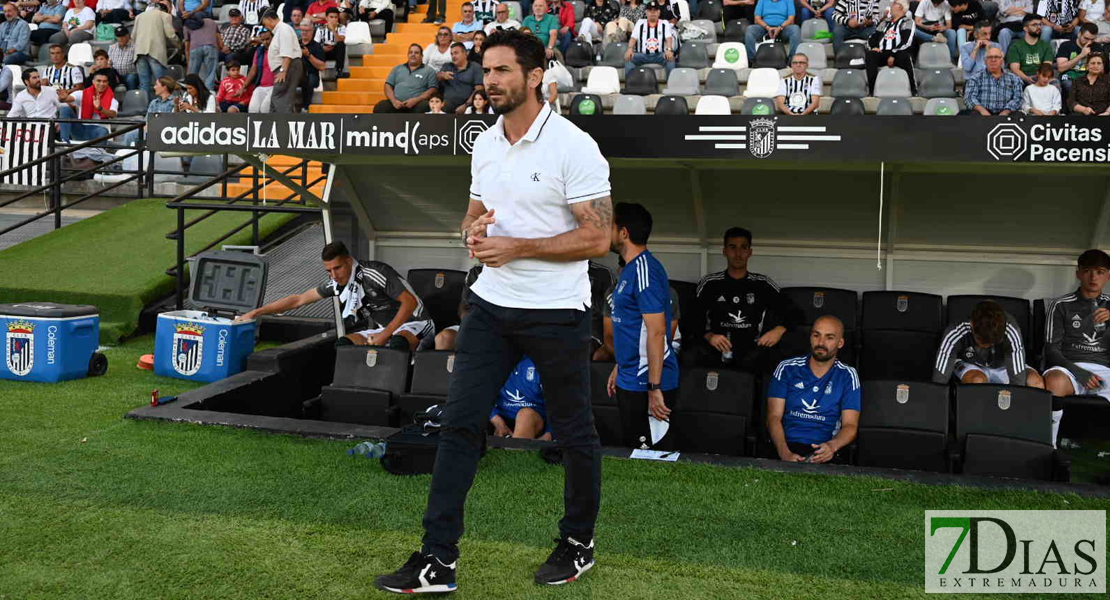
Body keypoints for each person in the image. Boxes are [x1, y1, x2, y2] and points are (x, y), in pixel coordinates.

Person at [374, 27, 611, 594]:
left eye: (503, 70)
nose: (491, 80)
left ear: (536, 77)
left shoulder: (574, 145)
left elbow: (599, 238)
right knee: (459, 424)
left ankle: (578, 543)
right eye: (487, 70)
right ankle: (437, 560)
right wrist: (472, 232)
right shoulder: (484, 142)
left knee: (573, 432)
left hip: (557, 310)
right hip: (490, 305)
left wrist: (519, 247)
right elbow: (473, 214)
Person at [239, 242, 433, 349]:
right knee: (343, 345)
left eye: (337, 268)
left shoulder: (374, 272)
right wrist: (257, 312)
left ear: (349, 261)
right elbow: (298, 299)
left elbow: (409, 303)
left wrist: (385, 335)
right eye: (328, 270)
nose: (333, 275)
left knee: (398, 343)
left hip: (417, 323)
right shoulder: (337, 283)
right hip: (384, 329)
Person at [603, 202, 679, 451]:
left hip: (645, 381)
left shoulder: (646, 270)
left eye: (610, 225)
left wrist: (654, 388)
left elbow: (656, 332)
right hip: (629, 376)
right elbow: (634, 328)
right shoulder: (629, 270)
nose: (605, 231)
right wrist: (620, 365)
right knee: (634, 450)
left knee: (651, 456)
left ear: (623, 233)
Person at [692, 227, 800, 373]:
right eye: (732, 247)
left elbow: (795, 313)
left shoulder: (762, 283)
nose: (738, 254)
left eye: (743, 248)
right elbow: (691, 318)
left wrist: (778, 330)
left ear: (750, 252)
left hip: (752, 351)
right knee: (692, 355)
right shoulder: (710, 283)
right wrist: (709, 336)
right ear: (724, 251)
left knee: (774, 357)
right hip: (716, 349)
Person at [767, 316, 860, 464]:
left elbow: (850, 425)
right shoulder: (787, 368)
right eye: (816, 335)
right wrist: (784, 452)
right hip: (786, 446)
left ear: (840, 343)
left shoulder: (848, 375)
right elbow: (773, 417)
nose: (821, 343)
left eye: (829, 337)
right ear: (810, 337)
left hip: (825, 448)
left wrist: (832, 447)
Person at [1043, 249, 1110, 447]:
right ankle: (1049, 446)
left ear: (1108, 276)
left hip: (1105, 369)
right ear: (1078, 273)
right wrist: (1079, 373)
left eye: (1100, 272)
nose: (1093, 277)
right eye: (1088, 271)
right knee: (1054, 381)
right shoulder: (1060, 305)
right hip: (1070, 368)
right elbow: (1051, 350)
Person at [933, 300, 1043, 388]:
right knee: (978, 381)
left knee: (1035, 383)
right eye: (981, 341)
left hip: (1004, 365)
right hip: (971, 365)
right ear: (972, 325)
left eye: (991, 343)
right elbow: (940, 378)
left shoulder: (1011, 329)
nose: (986, 346)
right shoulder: (956, 329)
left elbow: (1018, 381)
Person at [490, 356, 553, 440]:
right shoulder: (491, 362)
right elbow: (479, 395)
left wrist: (549, 433)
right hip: (500, 419)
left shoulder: (539, 364)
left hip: (535, 419)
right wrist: (497, 421)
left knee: (525, 415)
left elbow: (559, 402)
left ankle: (516, 447)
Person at [866, 0, 916, 95]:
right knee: (870, 55)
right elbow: (872, 37)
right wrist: (874, 47)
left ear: (901, 8)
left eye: (894, 3)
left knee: (905, 56)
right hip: (882, 52)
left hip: (898, 53)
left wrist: (893, 54)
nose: (891, 5)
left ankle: (913, 90)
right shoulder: (885, 22)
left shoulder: (908, 22)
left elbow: (907, 42)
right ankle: (872, 90)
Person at [374, 42, 437, 112]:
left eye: (416, 53)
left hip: (417, 104)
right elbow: (387, 86)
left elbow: (432, 89)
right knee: (380, 107)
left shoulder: (429, 71)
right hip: (396, 104)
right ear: (408, 55)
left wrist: (416, 100)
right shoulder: (397, 69)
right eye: (410, 52)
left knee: (425, 106)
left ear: (422, 56)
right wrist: (394, 101)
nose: (413, 54)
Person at [134, 0, 177, 97]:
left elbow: (133, 36)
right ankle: (162, 104)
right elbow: (171, 35)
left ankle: (145, 106)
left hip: (139, 52)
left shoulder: (139, 16)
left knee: (144, 84)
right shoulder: (165, 15)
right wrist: (179, 45)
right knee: (162, 83)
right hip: (156, 53)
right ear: (164, 10)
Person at [263, 9, 302, 113]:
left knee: (281, 98)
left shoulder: (284, 29)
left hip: (288, 67)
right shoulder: (280, 30)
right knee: (279, 99)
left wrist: (283, 71)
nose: (265, 26)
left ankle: (283, 121)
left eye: (264, 23)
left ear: (269, 19)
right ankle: (277, 121)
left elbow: (287, 53)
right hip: (287, 67)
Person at [964, 46, 1024, 113]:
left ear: (1002, 60)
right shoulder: (975, 78)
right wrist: (982, 110)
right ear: (985, 61)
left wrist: (1006, 111)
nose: (993, 60)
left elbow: (1018, 98)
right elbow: (969, 98)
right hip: (981, 114)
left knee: (1019, 115)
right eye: (989, 57)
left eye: (996, 57)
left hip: (1007, 114)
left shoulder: (1014, 79)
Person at [623, 1, 675, 78]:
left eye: (655, 11)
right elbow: (633, 38)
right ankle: (631, 83)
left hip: (659, 55)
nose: (653, 13)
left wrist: (669, 50)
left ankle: (671, 83)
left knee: (670, 59)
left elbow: (669, 38)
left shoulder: (664, 23)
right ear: (646, 12)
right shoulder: (640, 23)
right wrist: (630, 49)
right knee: (629, 58)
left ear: (659, 12)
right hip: (642, 55)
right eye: (650, 11)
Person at [1057, 22, 1101, 100]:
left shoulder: (1097, 47)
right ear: (1079, 34)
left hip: (1088, 76)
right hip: (1069, 76)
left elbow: (1101, 69)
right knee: (1070, 84)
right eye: (1086, 38)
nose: (1089, 42)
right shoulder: (1066, 45)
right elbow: (1061, 68)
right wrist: (1081, 55)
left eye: (1092, 39)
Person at [1005, 14, 1053, 85]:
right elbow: (1015, 69)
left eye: (1040, 24)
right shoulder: (1015, 46)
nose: (1039, 27)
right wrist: (1026, 78)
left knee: (1055, 83)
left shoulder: (1046, 46)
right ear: (1025, 28)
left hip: (1041, 77)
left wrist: (1040, 79)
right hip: (1022, 78)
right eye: (1034, 25)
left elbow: (1047, 67)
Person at [436, 41, 483, 112]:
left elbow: (479, 89)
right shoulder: (447, 66)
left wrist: (466, 105)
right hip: (447, 104)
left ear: (465, 53)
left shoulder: (475, 67)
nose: (453, 56)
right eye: (451, 54)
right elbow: (437, 77)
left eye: (456, 53)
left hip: (468, 104)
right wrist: (442, 75)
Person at [297, 17, 325, 112]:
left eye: (307, 31)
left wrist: (308, 55)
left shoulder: (317, 46)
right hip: (297, 74)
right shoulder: (295, 44)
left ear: (312, 31)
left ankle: (306, 107)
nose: (304, 33)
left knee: (309, 80)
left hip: (311, 74)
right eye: (303, 30)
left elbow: (322, 67)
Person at [185, 15, 220, 92]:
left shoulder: (188, 24)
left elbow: (187, 46)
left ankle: (191, 92)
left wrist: (188, 63)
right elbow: (218, 37)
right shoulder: (212, 22)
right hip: (210, 47)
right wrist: (221, 47)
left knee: (193, 74)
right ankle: (209, 92)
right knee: (210, 73)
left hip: (195, 48)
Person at [245, 28, 274, 112]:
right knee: (252, 109)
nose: (265, 42)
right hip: (261, 86)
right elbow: (253, 71)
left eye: (268, 39)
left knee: (265, 109)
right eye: (263, 40)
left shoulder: (279, 50)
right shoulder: (259, 51)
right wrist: (243, 87)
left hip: (275, 86)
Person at [313, 7, 346, 78]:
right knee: (317, 49)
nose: (333, 19)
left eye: (335, 17)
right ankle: (316, 71)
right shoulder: (320, 29)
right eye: (331, 17)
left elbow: (340, 40)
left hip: (335, 50)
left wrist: (333, 30)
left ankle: (339, 70)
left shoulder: (342, 27)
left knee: (341, 44)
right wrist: (322, 48)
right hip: (323, 51)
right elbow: (315, 45)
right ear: (326, 18)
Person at [0, 3, 31, 67]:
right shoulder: (2, 25)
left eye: (9, 11)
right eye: (5, 12)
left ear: (16, 11)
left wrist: (7, 53)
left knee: (6, 59)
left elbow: (21, 44)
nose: (7, 14)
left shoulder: (23, 24)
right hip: (3, 53)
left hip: (20, 53)